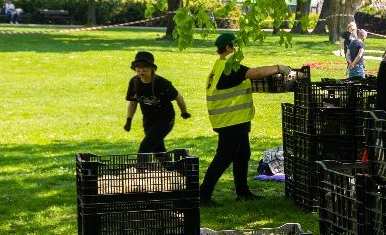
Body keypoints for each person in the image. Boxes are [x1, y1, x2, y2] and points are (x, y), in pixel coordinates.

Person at [201, 31, 287, 204]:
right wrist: (278, 68)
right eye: (236, 46)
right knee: (223, 157)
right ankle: (203, 196)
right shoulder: (228, 66)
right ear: (228, 48)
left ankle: (243, 192)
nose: (239, 50)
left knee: (242, 155)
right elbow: (253, 73)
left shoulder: (220, 67)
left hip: (233, 119)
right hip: (230, 120)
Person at [123, 51, 190, 154]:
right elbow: (133, 102)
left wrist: (184, 112)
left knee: (145, 146)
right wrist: (129, 120)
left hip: (165, 119)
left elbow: (179, 97)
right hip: (148, 119)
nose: (141, 70)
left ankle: (140, 168)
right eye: (138, 67)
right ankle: (171, 168)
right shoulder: (134, 82)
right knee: (158, 150)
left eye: (144, 67)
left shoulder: (162, 83)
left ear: (151, 68)